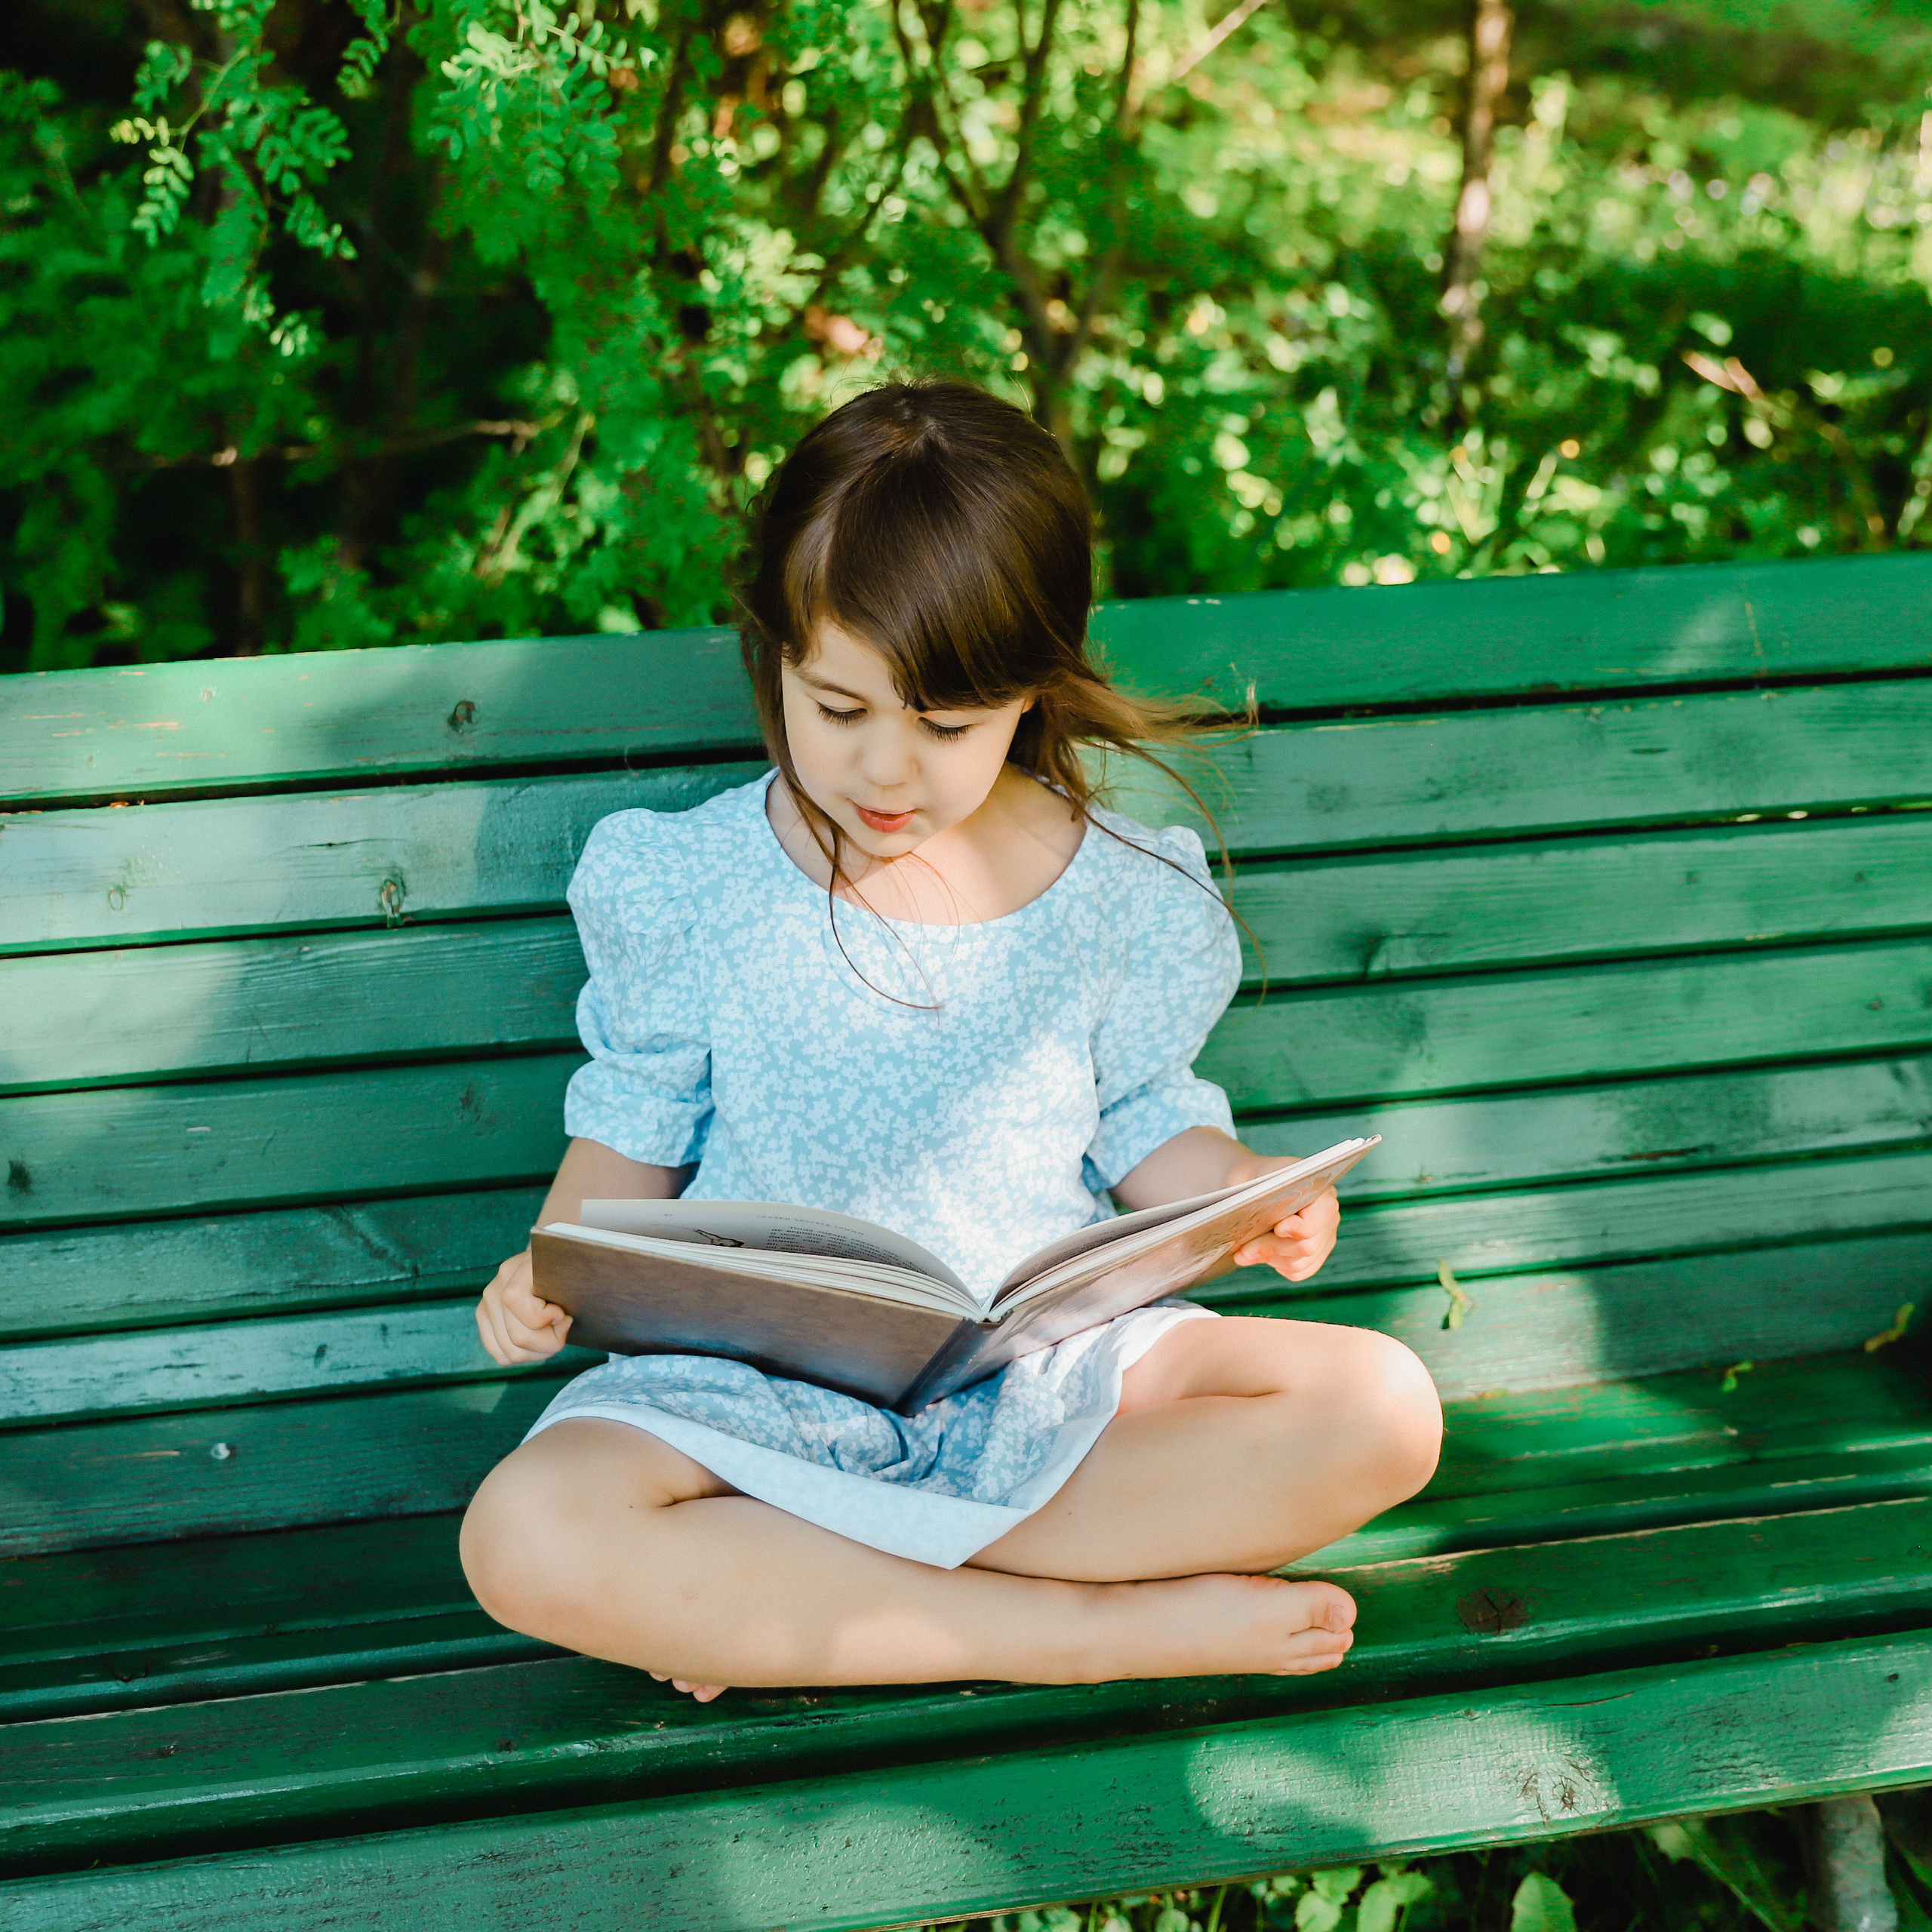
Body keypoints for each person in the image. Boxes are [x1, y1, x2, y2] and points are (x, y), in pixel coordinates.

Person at [462, 380, 1442, 1703]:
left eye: (946, 727)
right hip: (752, 1398)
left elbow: (1151, 1120)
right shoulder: (692, 883)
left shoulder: (1117, 892)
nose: (885, 773)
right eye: (840, 709)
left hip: (1043, 1380)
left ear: (1032, 686)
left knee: (1382, 1409)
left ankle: (782, 1593)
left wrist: (1238, 1203)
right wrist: (545, 1276)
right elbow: (623, 1151)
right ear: (775, 656)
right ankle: (1078, 1636)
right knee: (524, 1532)